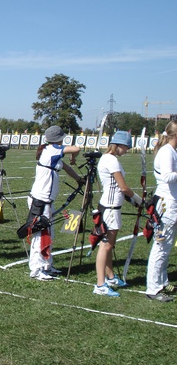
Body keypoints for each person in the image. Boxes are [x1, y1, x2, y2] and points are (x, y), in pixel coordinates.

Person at [27, 125, 83, 280]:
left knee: (49, 233)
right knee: (40, 235)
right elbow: (76, 149)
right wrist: (73, 157)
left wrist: (79, 179)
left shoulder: (53, 153)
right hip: (40, 200)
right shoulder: (52, 150)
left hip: (46, 201)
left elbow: (67, 168)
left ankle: (47, 265)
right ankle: (36, 269)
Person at [92, 131, 142, 297]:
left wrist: (134, 202)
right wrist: (140, 201)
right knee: (105, 246)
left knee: (109, 245)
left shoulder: (109, 158)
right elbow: (123, 187)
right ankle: (100, 285)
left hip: (111, 206)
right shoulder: (111, 160)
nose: (127, 150)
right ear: (119, 145)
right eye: (126, 147)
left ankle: (111, 277)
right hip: (110, 208)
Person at [145, 120, 177, 302]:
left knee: (167, 245)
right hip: (166, 204)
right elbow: (167, 176)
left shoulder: (171, 151)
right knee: (161, 246)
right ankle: (153, 288)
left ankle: (162, 282)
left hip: (171, 202)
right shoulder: (167, 152)